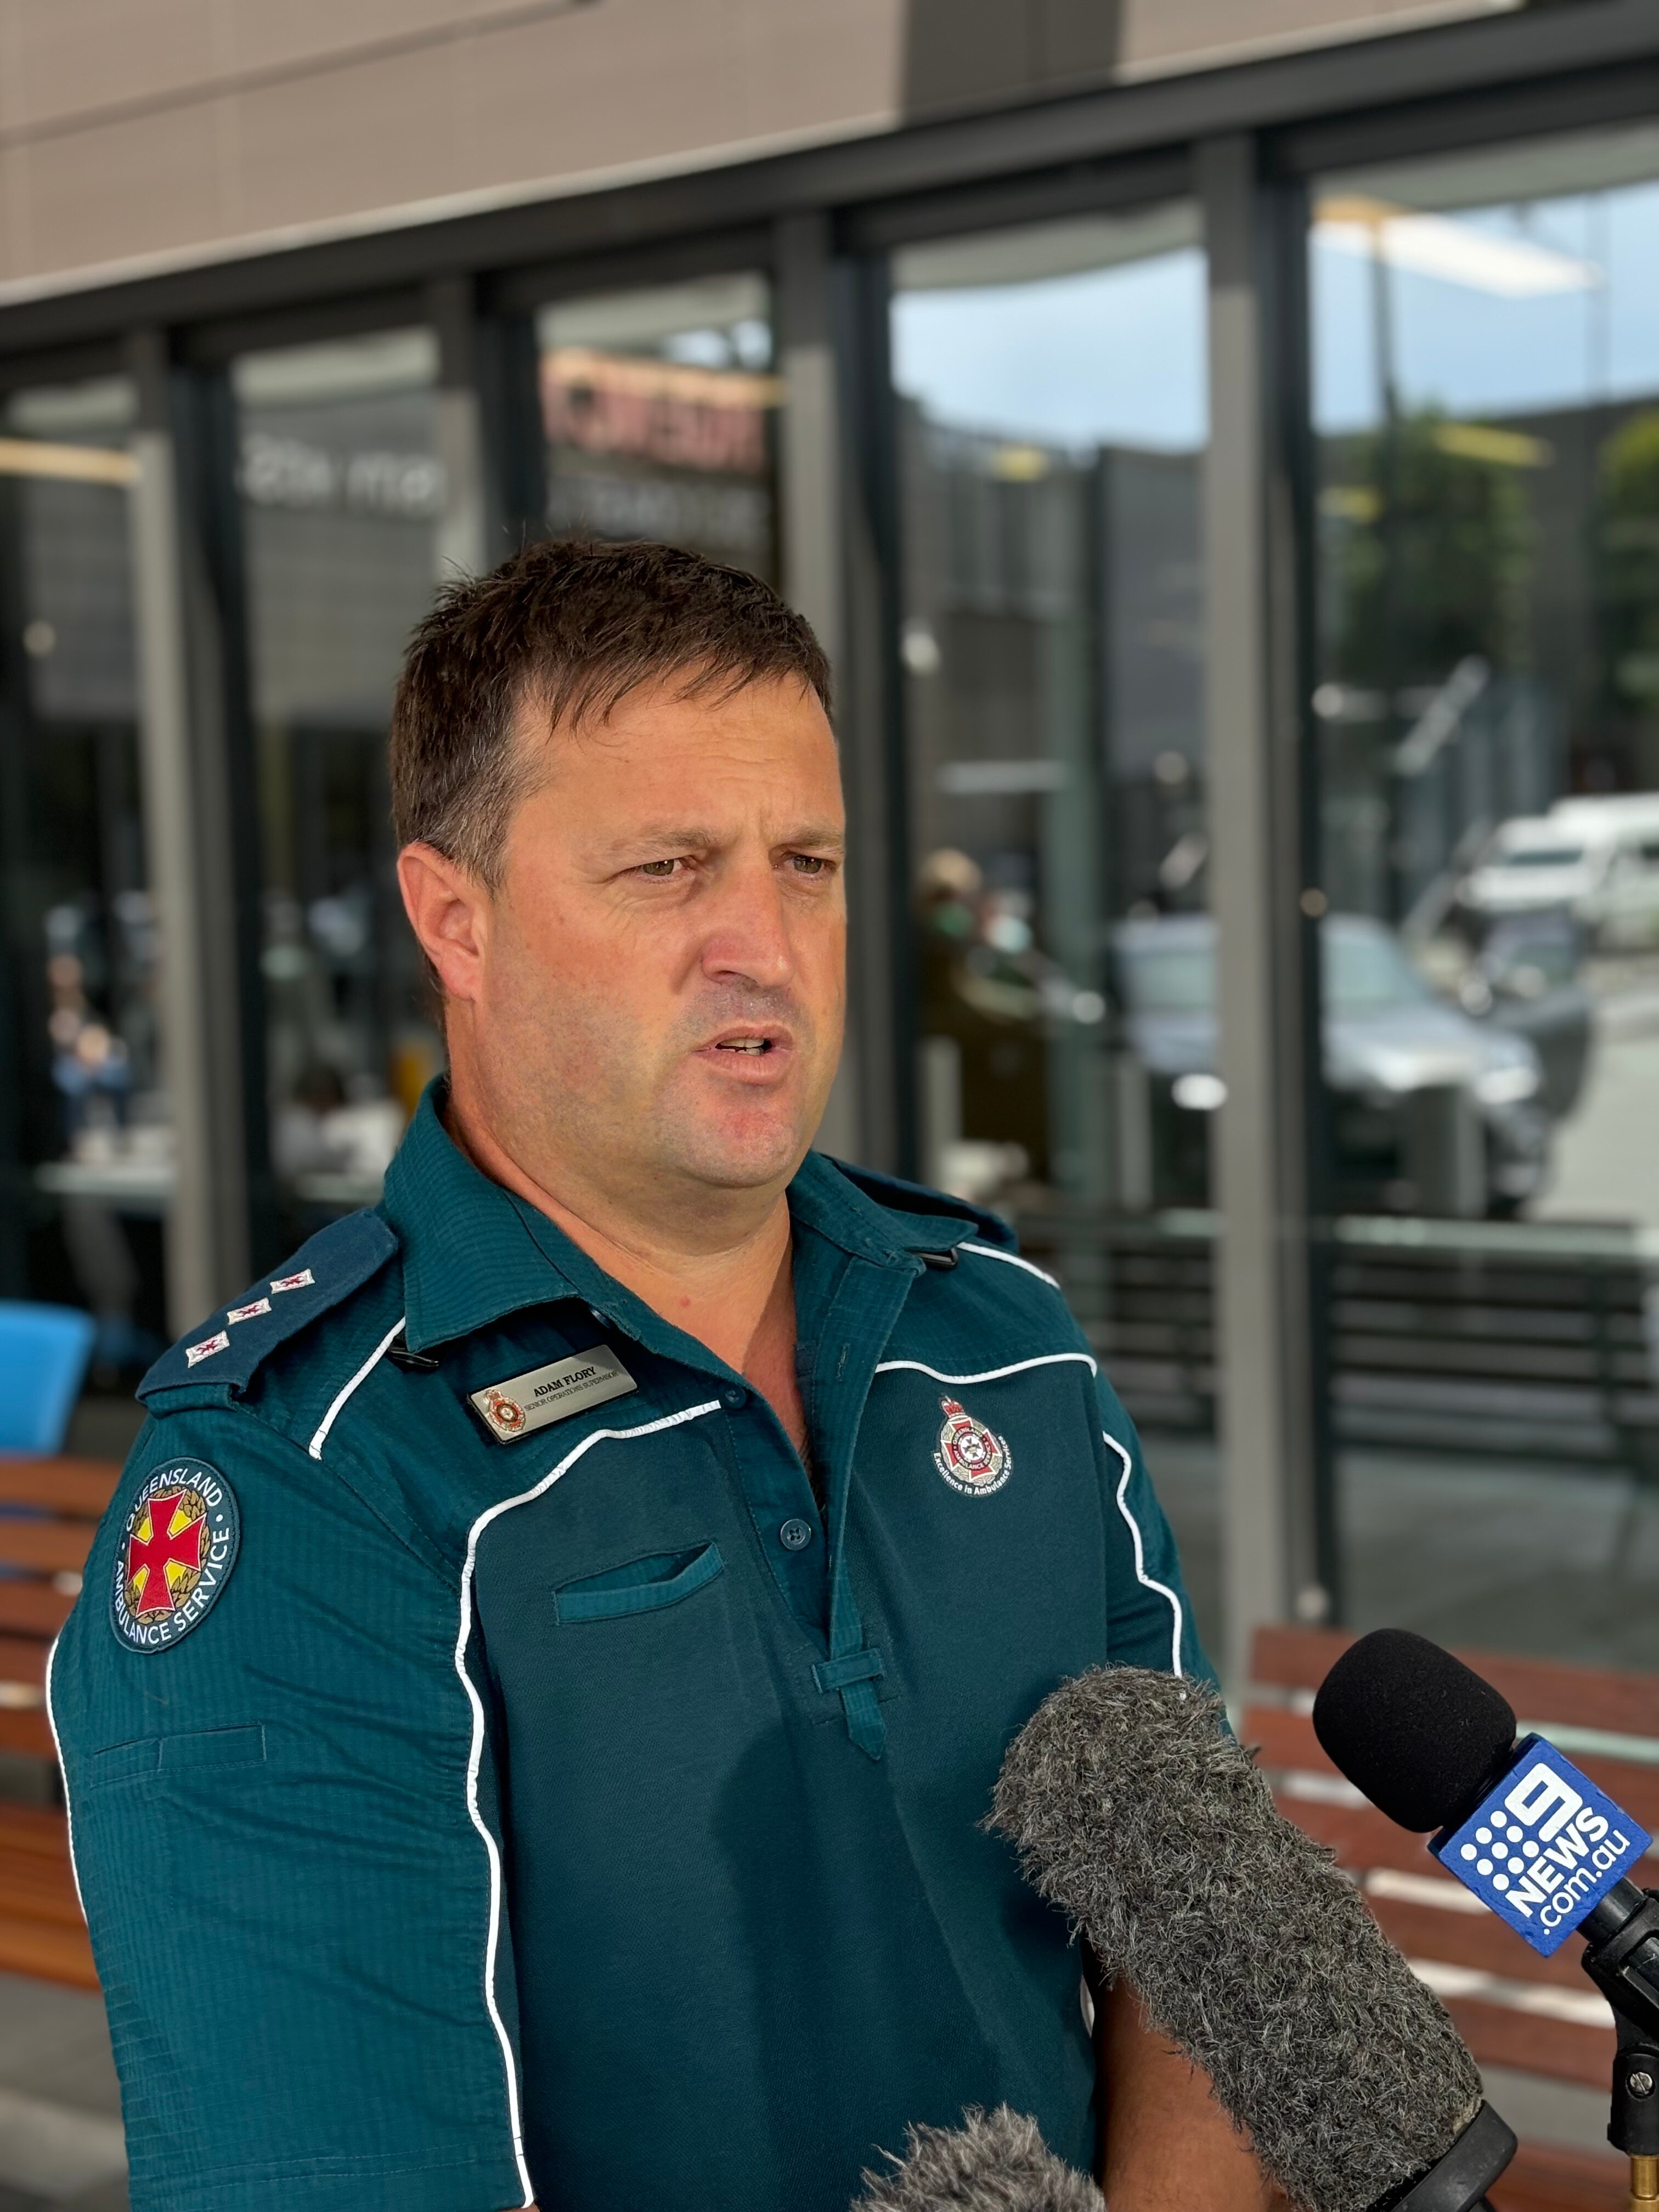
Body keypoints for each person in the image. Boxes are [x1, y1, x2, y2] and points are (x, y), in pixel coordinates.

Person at [49, 540, 1272, 2212]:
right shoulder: (302, 1485)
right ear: (455, 921)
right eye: (668, 869)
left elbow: (1205, 1939)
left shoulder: (1007, 1341)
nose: (762, 944)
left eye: (809, 860)